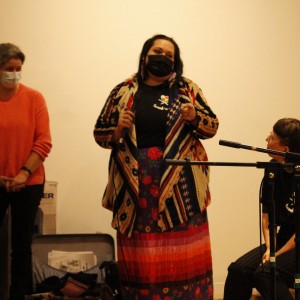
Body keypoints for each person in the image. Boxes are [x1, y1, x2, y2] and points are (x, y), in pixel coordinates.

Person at [93, 34, 219, 299]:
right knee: (142, 249)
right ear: (145, 55)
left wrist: (194, 117)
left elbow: (212, 128)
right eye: (157, 51)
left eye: (169, 55)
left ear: (176, 62)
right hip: (135, 182)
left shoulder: (187, 89)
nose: (163, 57)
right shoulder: (123, 91)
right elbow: (100, 135)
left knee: (182, 248)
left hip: (180, 184)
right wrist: (118, 130)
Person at [223, 117, 300, 300]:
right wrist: (270, 248)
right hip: (283, 238)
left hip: (297, 240)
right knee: (239, 270)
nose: (267, 139)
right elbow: (267, 215)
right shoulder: (272, 169)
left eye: (272, 138)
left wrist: (276, 255)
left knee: (267, 273)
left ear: (285, 149)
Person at [0, 43, 52, 300]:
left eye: (18, 69)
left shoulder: (34, 98)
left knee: (22, 246)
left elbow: (43, 142)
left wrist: (23, 173)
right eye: (9, 69)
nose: (14, 74)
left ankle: (18, 296)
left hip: (29, 181)